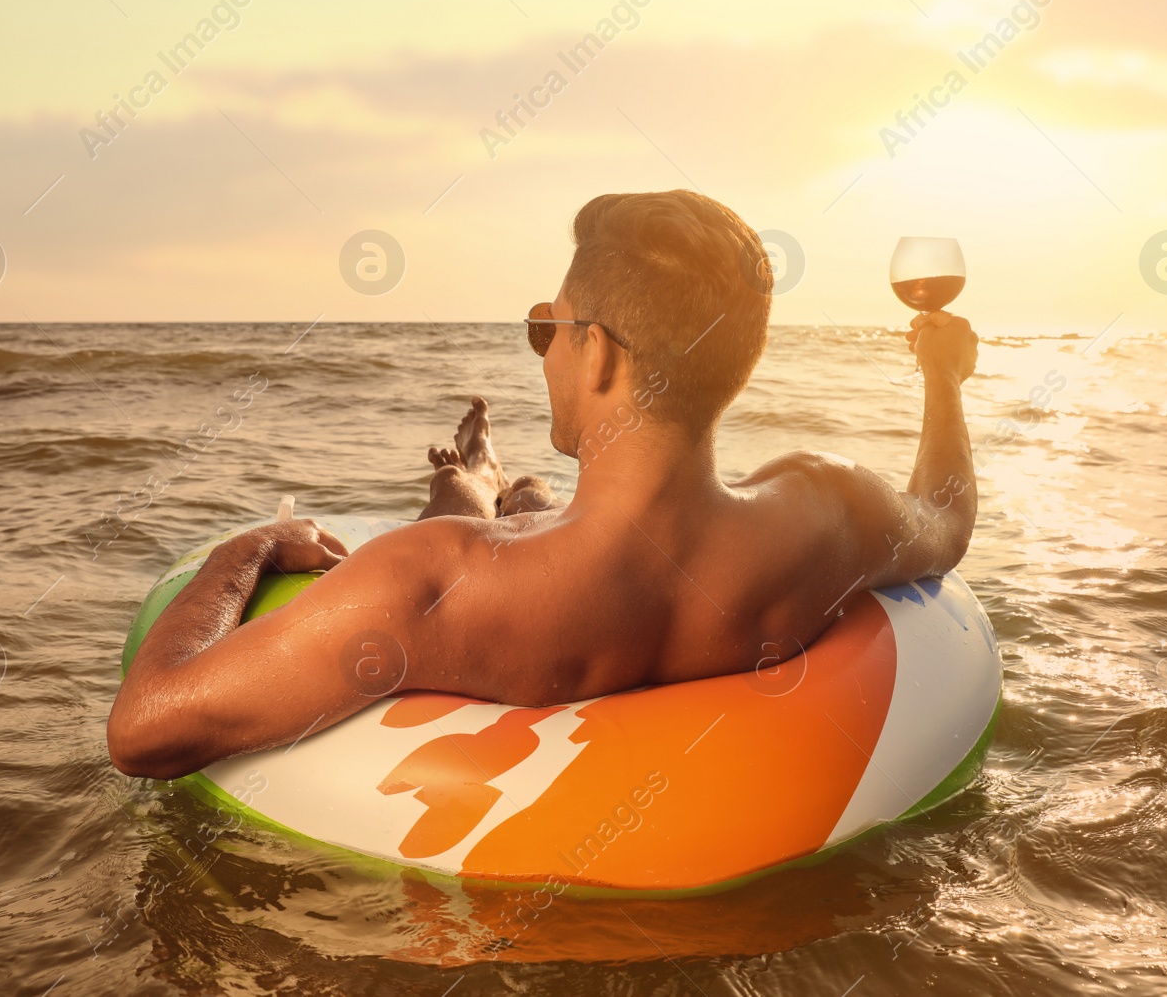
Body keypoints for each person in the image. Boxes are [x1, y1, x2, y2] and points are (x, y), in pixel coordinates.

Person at [108, 190, 979, 780]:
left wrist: (248, 546)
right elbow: (947, 518)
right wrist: (943, 378)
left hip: (514, 579)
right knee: (531, 507)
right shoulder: (828, 516)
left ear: (595, 350)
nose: (548, 350)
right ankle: (493, 482)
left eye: (546, 328)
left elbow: (145, 727)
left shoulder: (432, 580)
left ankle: (471, 483)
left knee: (484, 521)